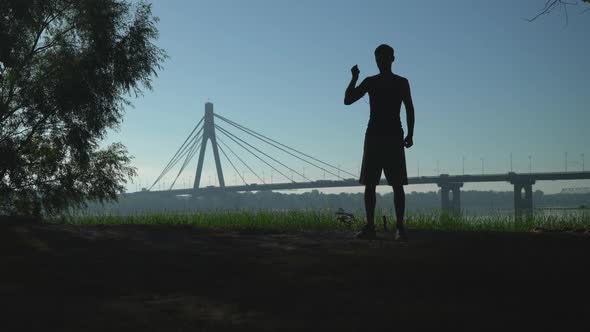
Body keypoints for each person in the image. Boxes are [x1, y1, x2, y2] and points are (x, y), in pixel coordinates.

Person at [344, 44, 415, 240]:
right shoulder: (374, 82)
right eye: (379, 58)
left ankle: (397, 227)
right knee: (372, 184)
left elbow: (409, 108)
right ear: (377, 60)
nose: (381, 61)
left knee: (394, 184)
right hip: (379, 136)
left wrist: (410, 134)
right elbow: (348, 100)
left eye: (384, 58)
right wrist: (354, 79)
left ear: (392, 59)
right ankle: (374, 227)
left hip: (388, 136)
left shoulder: (399, 82)